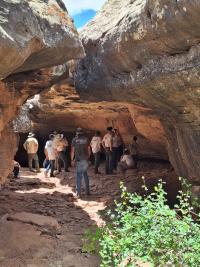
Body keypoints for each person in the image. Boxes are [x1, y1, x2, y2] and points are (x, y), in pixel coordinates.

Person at [71, 128, 91, 198]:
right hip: (85, 159)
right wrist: (88, 158)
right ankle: (87, 191)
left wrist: (72, 160)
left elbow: (72, 151)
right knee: (85, 174)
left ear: (77, 133)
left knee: (79, 176)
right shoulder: (86, 139)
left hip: (78, 160)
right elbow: (89, 150)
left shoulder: (74, 140)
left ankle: (78, 193)